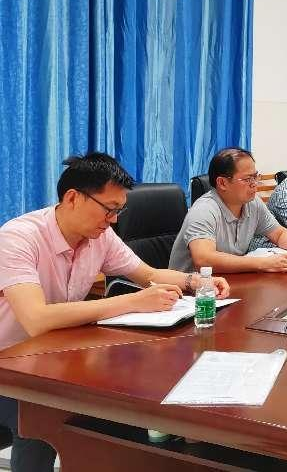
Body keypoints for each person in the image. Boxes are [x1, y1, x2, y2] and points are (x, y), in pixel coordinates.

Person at [0, 153, 231, 471]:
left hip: (54, 356)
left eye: (119, 211)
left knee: (123, 402)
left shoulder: (100, 236)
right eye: (109, 209)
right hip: (9, 365)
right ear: (73, 198)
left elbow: (148, 274)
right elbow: (36, 319)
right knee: (44, 411)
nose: (114, 221)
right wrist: (132, 302)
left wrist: (196, 281)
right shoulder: (18, 238)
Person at [169, 148, 287, 273]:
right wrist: (262, 263)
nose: (254, 184)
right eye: (247, 179)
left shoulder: (253, 203)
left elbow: (279, 234)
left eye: (255, 177)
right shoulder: (204, 210)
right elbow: (203, 259)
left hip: (228, 282)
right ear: (222, 183)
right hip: (191, 291)